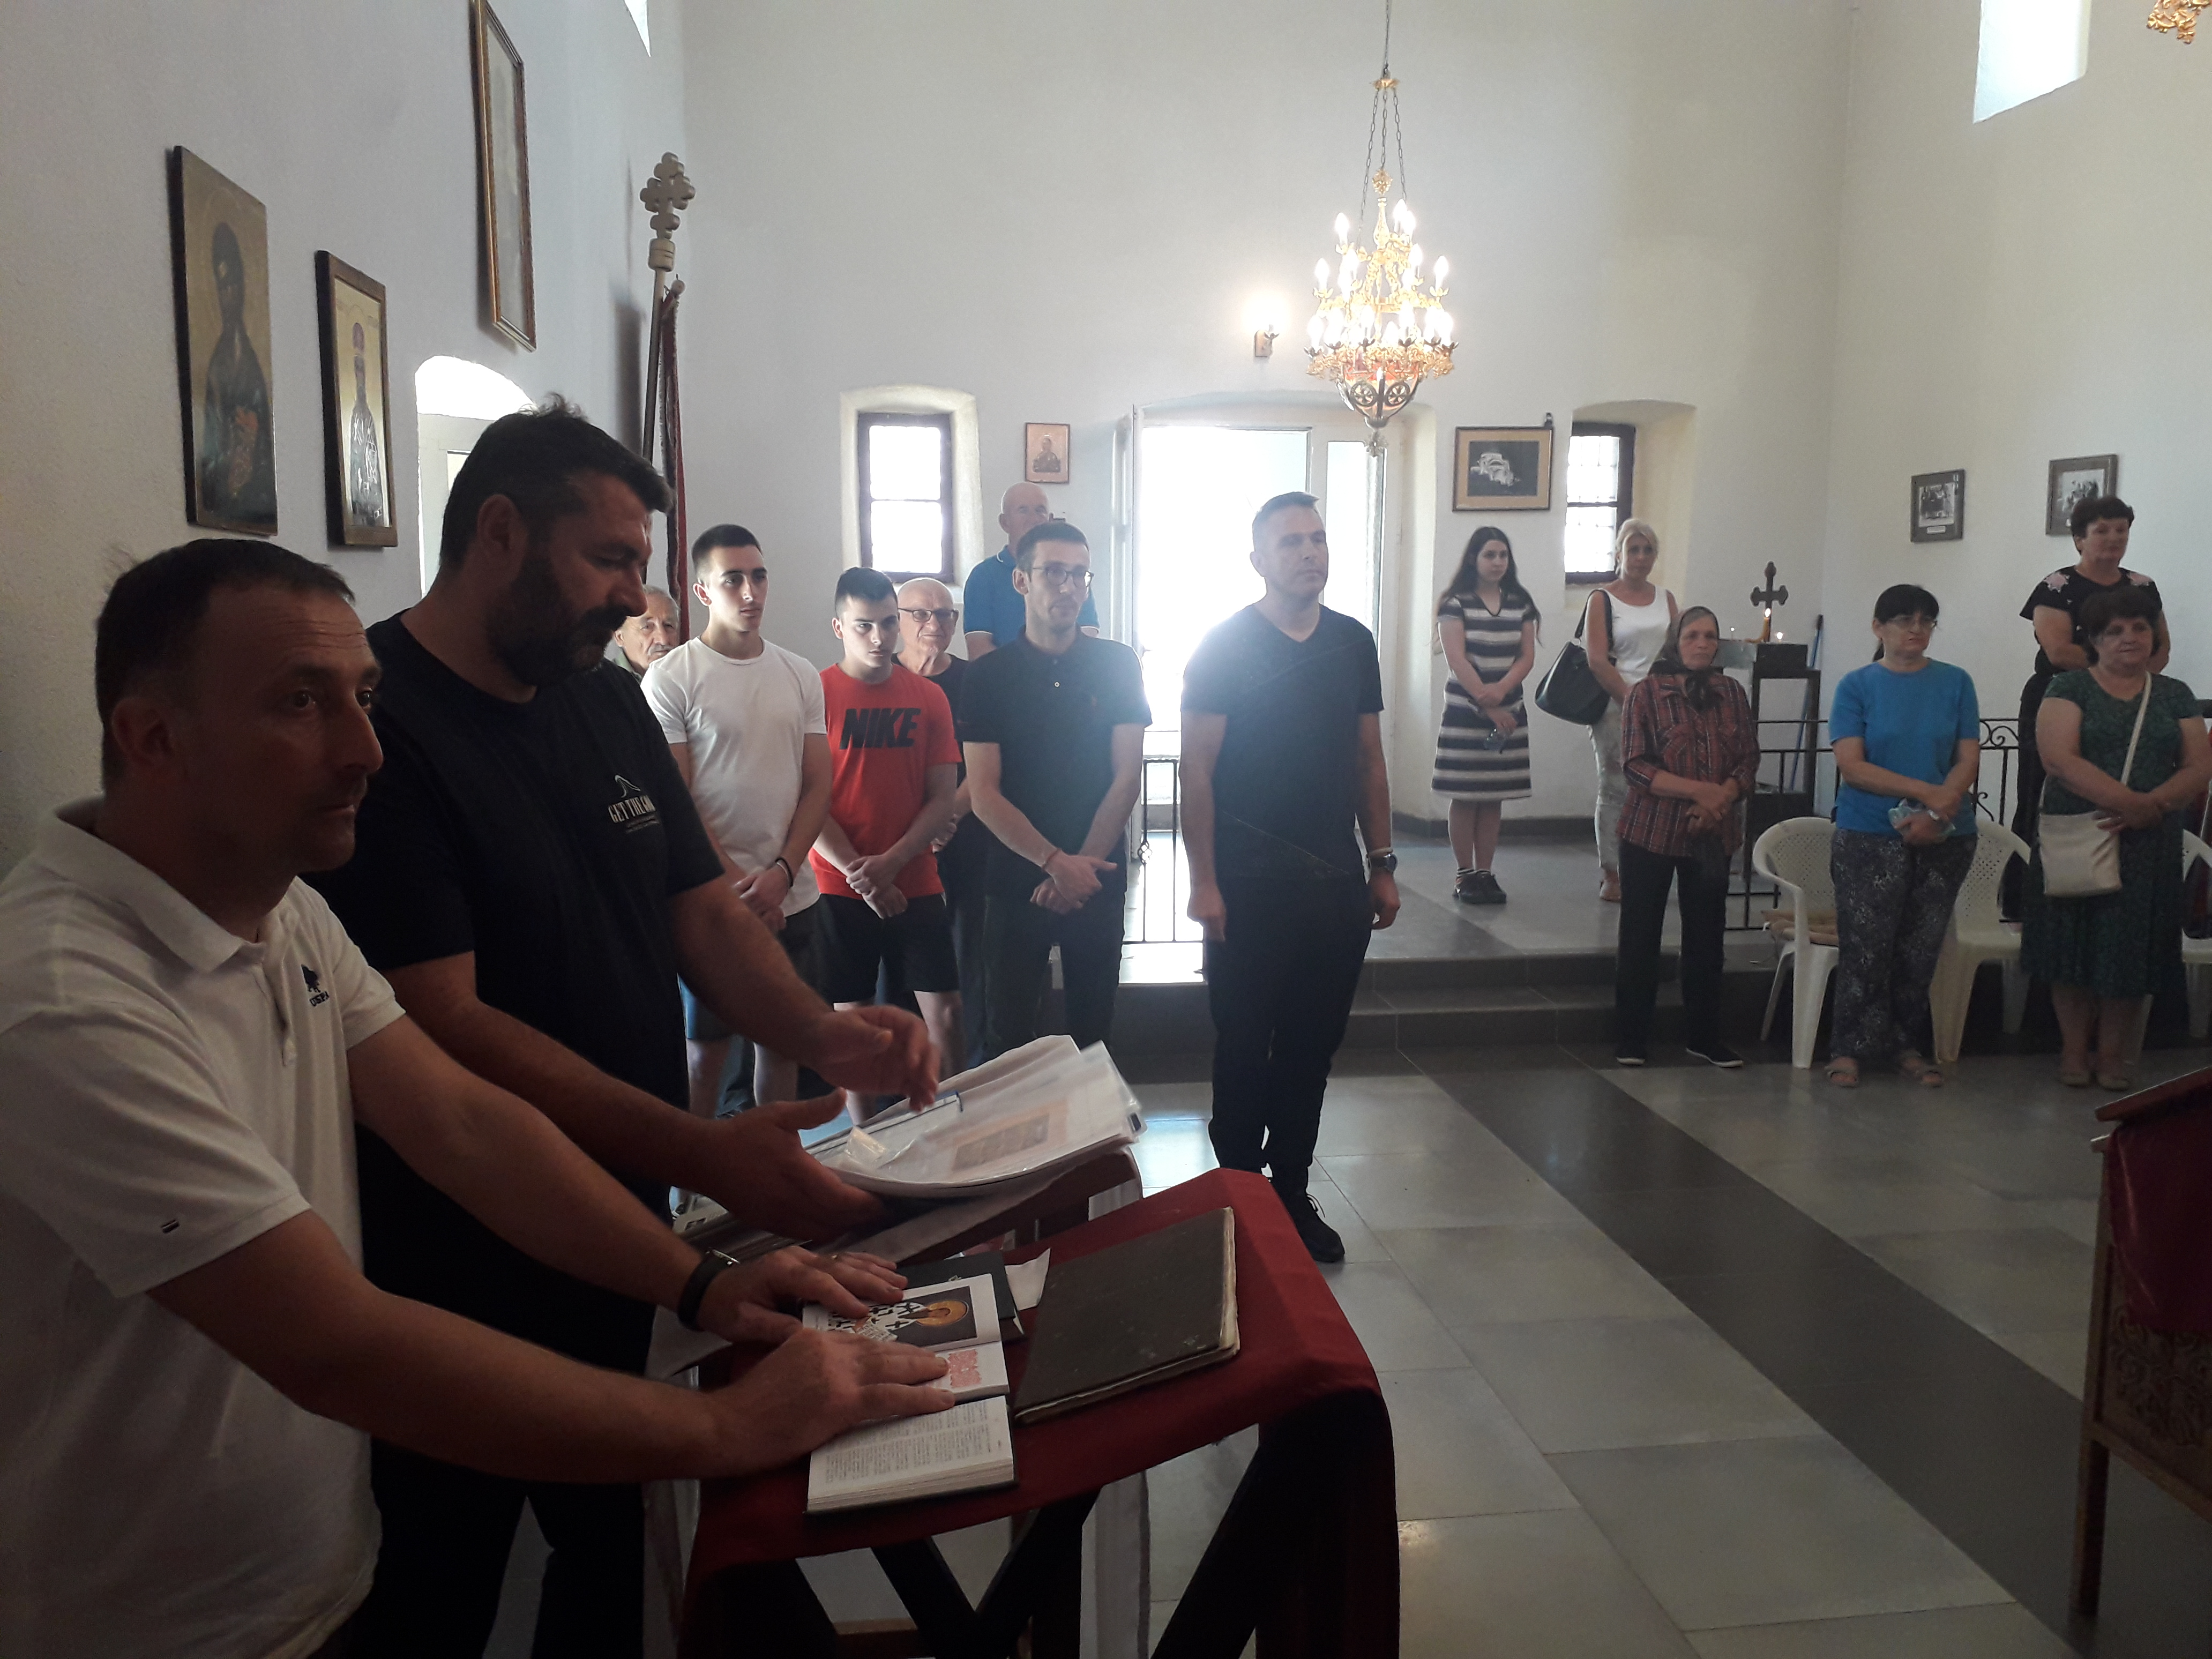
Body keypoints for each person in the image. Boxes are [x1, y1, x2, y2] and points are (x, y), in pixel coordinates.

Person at [0, 539, 947, 1659]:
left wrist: (700, 1283)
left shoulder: (282, 908)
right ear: (154, 739)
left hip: (312, 1570)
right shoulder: (62, 998)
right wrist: (726, 1425)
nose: (364, 750)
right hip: (153, 1623)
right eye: (301, 704)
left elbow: (461, 1122)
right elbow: (331, 1341)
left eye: (362, 699)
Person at [307, 403, 939, 1657]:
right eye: (607, 559)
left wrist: (826, 1032)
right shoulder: (388, 730)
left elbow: (697, 913)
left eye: (639, 564)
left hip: (622, 1214)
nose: (631, 595)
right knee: (445, 1561)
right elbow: (447, 1025)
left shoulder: (602, 698)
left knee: (608, 1543)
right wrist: (701, 1150)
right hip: (461, 1238)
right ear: (500, 532)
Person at [1183, 492, 1400, 1263]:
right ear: (1258, 560)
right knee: (1245, 1043)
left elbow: (1368, 759)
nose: (1310, 553)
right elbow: (1197, 772)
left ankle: (1292, 1190)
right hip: (1247, 882)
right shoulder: (1224, 647)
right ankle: (1240, 1196)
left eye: (1318, 539)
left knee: (1312, 1049)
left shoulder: (1352, 642)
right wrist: (1203, 881)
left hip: (1333, 881)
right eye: (1291, 542)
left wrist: (1382, 862)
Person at [644, 527, 831, 1114]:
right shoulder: (672, 677)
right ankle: (694, 1173)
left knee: (783, 1046)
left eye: (758, 576)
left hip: (792, 894)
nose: (750, 592)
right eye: (733, 580)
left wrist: (782, 873)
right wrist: (738, 885)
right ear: (703, 591)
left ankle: (780, 1163)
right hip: (712, 899)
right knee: (706, 1056)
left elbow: (818, 783)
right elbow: (677, 797)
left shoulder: (799, 672)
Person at [961, 521, 1149, 1059]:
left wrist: (1078, 870)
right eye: (1054, 573)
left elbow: (1127, 777)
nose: (1068, 587)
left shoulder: (1118, 664)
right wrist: (1053, 862)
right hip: (1016, 874)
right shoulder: (987, 676)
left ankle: (1092, 1123)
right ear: (1022, 581)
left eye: (1079, 575)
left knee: (1094, 1033)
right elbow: (984, 793)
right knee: (1008, 1038)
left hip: (1096, 872)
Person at [2021, 585, 2211, 1090]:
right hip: (2080, 831)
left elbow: (2198, 766)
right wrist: (2131, 804)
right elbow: (2059, 760)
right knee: (2071, 946)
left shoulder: (2174, 694)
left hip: (2148, 840)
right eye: (2115, 631)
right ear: (2094, 640)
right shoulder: (2068, 688)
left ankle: (2111, 1056)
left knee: (2129, 949)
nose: (2129, 638)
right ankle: (2072, 1051)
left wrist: (2154, 806)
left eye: (2140, 628)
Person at [811, 567, 965, 1109]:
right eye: (864, 626)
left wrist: (893, 864)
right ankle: (864, 1136)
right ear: (839, 627)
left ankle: (953, 1124)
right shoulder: (814, 695)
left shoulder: (929, 697)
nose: (878, 638)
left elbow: (942, 798)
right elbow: (807, 800)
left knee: (946, 1012)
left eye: (887, 624)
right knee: (853, 1020)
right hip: (839, 881)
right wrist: (865, 876)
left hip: (915, 876)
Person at [1824, 585, 1982, 1089]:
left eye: (1926, 621)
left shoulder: (1956, 682)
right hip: (1871, 832)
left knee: (1919, 948)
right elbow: (1853, 766)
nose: (1916, 629)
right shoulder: (1857, 685)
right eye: (1903, 620)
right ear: (1878, 627)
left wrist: (1939, 809)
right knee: (1868, 945)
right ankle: (1849, 1047)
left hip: (1946, 832)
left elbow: (1968, 757)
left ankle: (1906, 1046)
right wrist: (1927, 793)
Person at [1612, 606, 1757, 1068]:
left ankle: (1704, 1037)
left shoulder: (1731, 693)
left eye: (1710, 636)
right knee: (1641, 935)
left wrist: (1720, 799)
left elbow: (1747, 759)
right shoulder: (1646, 694)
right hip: (1651, 830)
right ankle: (1632, 1038)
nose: (1702, 644)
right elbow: (1636, 766)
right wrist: (1701, 792)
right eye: (1692, 635)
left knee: (1706, 938)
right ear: (1676, 641)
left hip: (1713, 830)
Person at [2008, 495, 2167, 905]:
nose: (2114, 538)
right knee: (2044, 792)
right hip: (2061, 699)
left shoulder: (2142, 586)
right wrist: (2116, 669)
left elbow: (2160, 650)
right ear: (2080, 539)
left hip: (2130, 701)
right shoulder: (2057, 586)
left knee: (2122, 785)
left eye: (2121, 530)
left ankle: (2117, 891)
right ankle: (2028, 899)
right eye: (2102, 531)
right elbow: (2060, 651)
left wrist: (2128, 680)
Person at [894, 575, 996, 1067]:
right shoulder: (879, 678)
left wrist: (943, 818)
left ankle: (969, 1075)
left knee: (967, 959)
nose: (934, 623)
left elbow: (991, 764)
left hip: (966, 838)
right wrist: (917, 832)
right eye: (920, 613)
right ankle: (902, 1078)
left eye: (944, 614)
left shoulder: (977, 681)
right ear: (897, 620)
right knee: (899, 962)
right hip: (897, 847)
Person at [1431, 525, 1539, 905]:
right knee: (1465, 796)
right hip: (1467, 713)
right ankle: (1465, 873)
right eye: (1489, 555)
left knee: (1493, 797)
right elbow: (1457, 659)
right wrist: (1487, 702)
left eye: (1503, 555)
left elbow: (1526, 656)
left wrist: (1503, 691)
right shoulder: (1456, 603)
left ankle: (1486, 873)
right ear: (1473, 559)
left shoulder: (1520, 602)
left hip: (1509, 711)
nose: (1497, 562)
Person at [1585, 519, 1678, 903]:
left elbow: (1674, 651)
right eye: (1633, 550)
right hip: (1616, 702)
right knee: (1616, 787)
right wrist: (1631, 700)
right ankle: (1612, 873)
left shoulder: (1666, 599)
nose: (1640, 558)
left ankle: (1648, 865)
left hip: (1661, 702)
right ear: (1619, 554)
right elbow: (1596, 659)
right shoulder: (1602, 599)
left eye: (1648, 550)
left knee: (1658, 784)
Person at [197, 220, 276, 527]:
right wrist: (233, 450)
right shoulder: (218, 365)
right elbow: (211, 450)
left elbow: (266, 442)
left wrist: (255, 434)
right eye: (222, 287)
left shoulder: (252, 359)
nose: (229, 295)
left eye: (234, 284)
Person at [962, 482, 1098, 657]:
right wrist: (1029, 671)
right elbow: (979, 649)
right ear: (1005, 522)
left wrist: (1057, 670)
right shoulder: (984, 576)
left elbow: (1088, 638)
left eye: (1040, 511)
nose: (1034, 519)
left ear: (1050, 519)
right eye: (1023, 511)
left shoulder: (1072, 575)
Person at [608, 584, 678, 678]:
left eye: (669, 626)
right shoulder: (604, 683)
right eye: (647, 627)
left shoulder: (690, 678)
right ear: (620, 638)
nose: (663, 640)